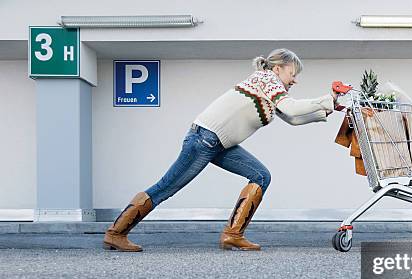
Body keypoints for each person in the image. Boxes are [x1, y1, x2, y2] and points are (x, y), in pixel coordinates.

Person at [103, 48, 339, 252]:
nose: (294, 80)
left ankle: (233, 236)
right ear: (278, 68)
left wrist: (326, 111)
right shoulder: (266, 79)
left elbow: (293, 118)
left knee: (260, 176)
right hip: (205, 139)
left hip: (217, 143)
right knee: (166, 187)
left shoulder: (269, 88)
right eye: (292, 73)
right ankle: (116, 233)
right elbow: (293, 108)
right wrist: (328, 98)